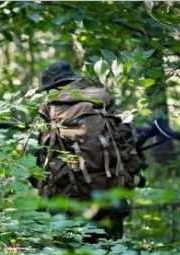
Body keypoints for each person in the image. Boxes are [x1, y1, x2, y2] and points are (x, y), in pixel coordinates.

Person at [33, 62, 145, 239]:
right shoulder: (102, 100)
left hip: (69, 199)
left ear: (52, 86)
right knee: (110, 253)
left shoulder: (51, 108)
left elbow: (39, 162)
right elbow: (128, 143)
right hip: (110, 191)